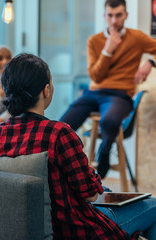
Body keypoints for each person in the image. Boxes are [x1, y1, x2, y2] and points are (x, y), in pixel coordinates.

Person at [0, 53, 156, 239]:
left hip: (26, 227)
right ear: (46, 90)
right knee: (152, 205)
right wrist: (90, 173)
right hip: (75, 229)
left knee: (108, 194)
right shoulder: (58, 133)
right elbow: (90, 193)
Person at [60, 0, 156, 178]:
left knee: (110, 121)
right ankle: (65, 167)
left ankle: (104, 151)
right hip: (94, 93)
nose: (114, 21)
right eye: (110, 15)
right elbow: (95, 76)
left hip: (120, 95)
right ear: (104, 16)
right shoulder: (94, 41)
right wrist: (108, 50)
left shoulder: (137, 38)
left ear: (126, 15)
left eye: (118, 15)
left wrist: (151, 62)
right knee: (62, 125)